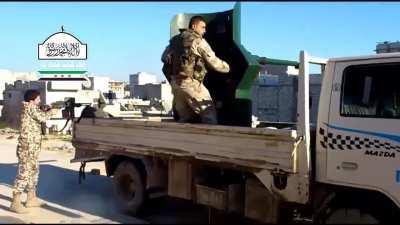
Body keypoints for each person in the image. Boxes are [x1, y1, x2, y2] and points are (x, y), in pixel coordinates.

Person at [161, 16, 230, 124]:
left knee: (186, 119)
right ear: (194, 26)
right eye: (202, 27)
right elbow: (214, 63)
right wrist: (228, 68)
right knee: (209, 116)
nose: (205, 30)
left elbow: (163, 58)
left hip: (176, 86)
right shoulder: (198, 41)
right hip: (191, 85)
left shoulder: (175, 40)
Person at [10, 89, 58, 214]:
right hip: (27, 147)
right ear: (32, 100)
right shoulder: (29, 108)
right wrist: (53, 111)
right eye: (38, 99)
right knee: (24, 172)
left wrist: (46, 109)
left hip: (33, 147)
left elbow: (39, 113)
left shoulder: (33, 108)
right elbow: (42, 117)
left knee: (34, 171)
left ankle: (31, 198)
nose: (40, 100)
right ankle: (15, 202)